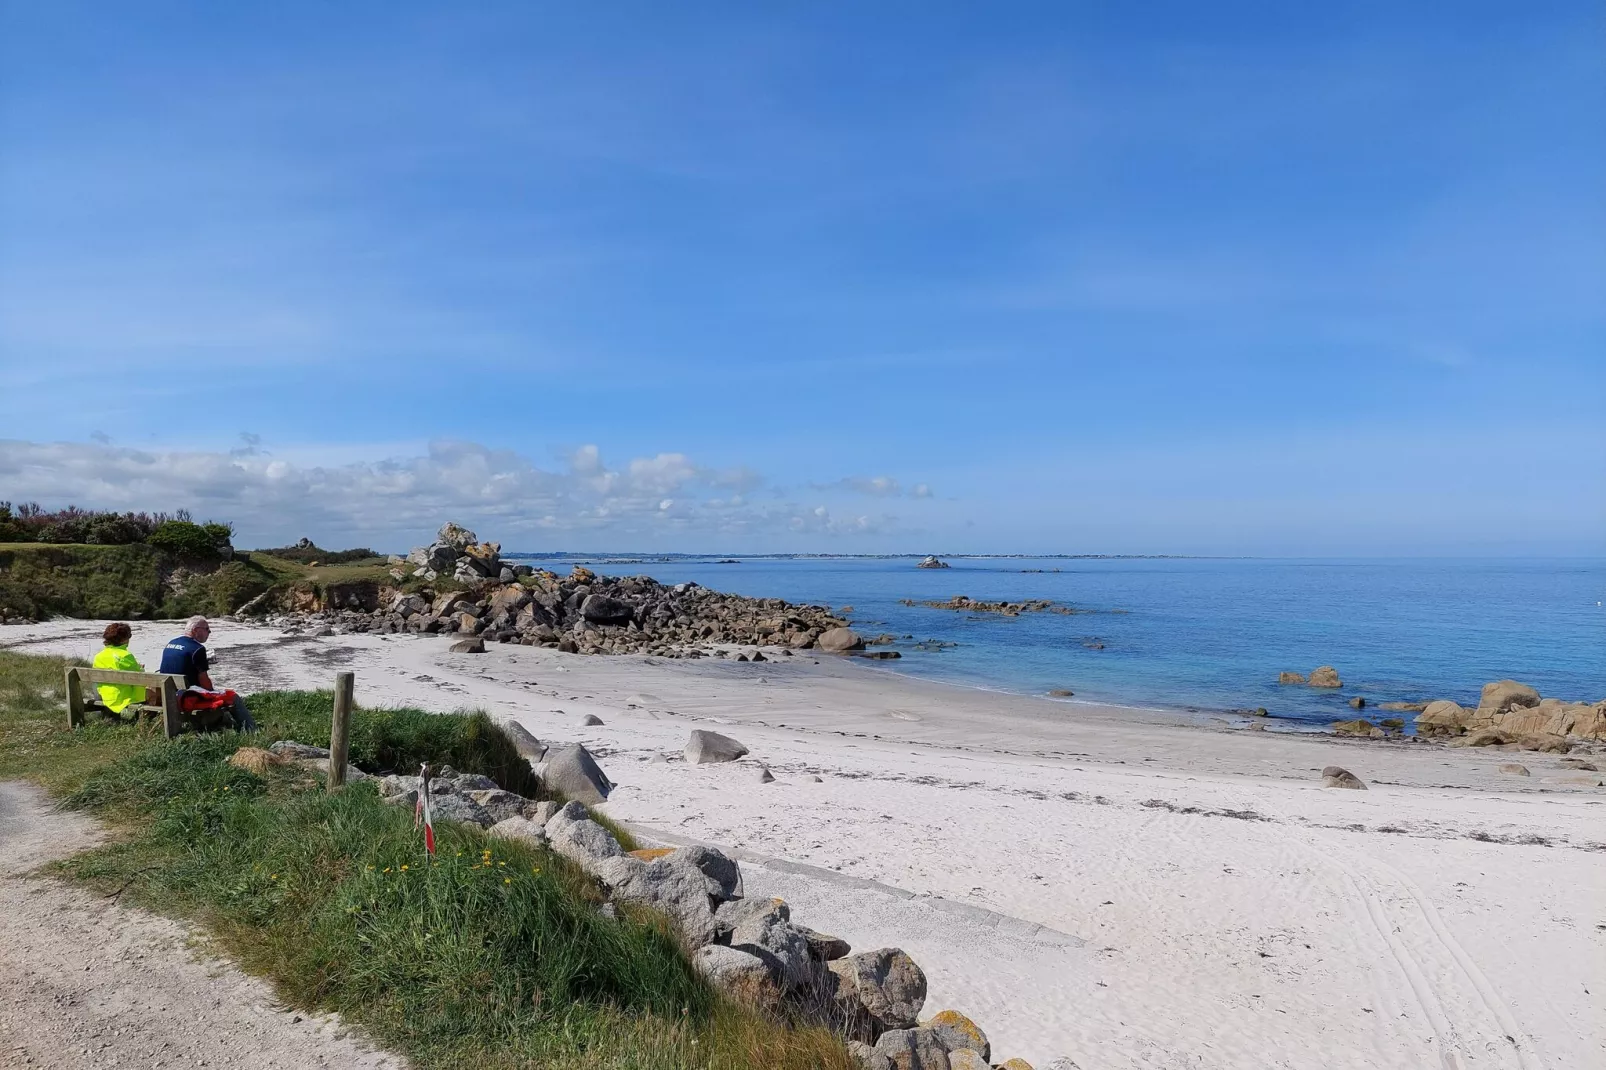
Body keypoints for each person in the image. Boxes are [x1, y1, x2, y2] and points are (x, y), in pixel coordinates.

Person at [158, 616, 257, 732]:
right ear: (196, 630)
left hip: (169, 695)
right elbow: (204, 681)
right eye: (207, 629)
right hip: (188, 697)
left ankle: (226, 724)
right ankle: (252, 730)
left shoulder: (170, 644)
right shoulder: (197, 649)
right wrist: (213, 692)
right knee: (233, 697)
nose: (209, 632)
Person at [92, 622, 149, 716]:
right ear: (123, 639)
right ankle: (142, 720)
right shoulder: (125, 656)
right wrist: (141, 669)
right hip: (121, 696)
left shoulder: (99, 656)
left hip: (104, 694)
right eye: (129, 636)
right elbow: (140, 677)